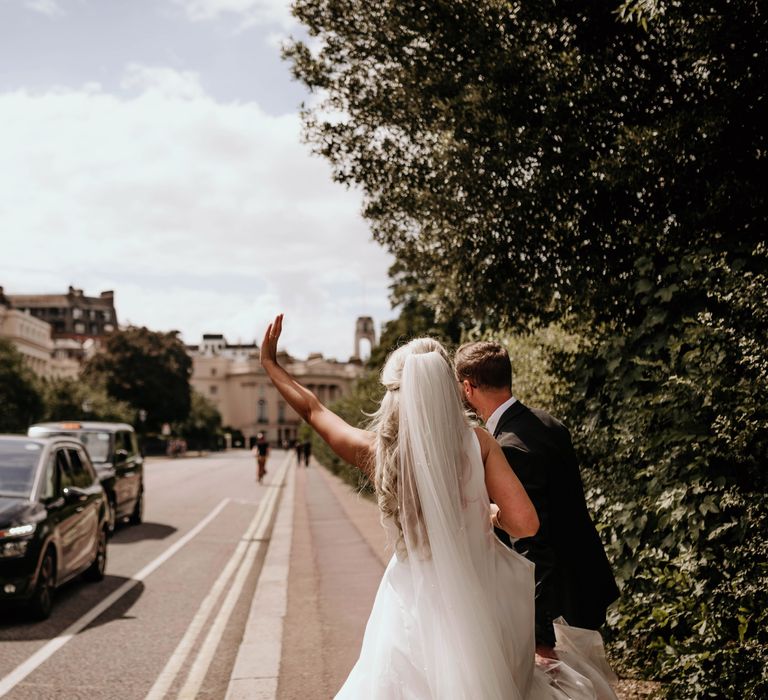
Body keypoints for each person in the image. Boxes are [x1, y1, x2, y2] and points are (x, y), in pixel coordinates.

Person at [261, 315, 617, 699]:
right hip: (481, 597)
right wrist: (487, 514)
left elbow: (314, 410)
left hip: (410, 605)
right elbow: (526, 524)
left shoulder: (380, 451)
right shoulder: (479, 443)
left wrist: (271, 365)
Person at [455, 341, 620, 659]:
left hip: (558, 606)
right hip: (584, 581)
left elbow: (532, 543)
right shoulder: (548, 423)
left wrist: (541, 639)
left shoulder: (508, 447)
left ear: (467, 386)